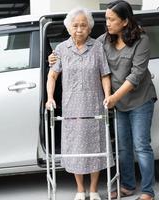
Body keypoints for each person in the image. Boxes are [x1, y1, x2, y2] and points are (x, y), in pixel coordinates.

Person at [49, 1, 157, 200]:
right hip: (118, 102)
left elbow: (136, 75)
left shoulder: (141, 40)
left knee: (141, 145)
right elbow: (82, 42)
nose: (106, 23)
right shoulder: (103, 41)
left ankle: (148, 191)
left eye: (111, 19)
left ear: (124, 22)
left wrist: (112, 97)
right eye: (106, 18)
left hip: (139, 99)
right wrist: (54, 58)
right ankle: (127, 185)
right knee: (123, 147)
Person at [45, 7, 113, 200]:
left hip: (94, 104)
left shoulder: (97, 47)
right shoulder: (61, 49)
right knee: (76, 147)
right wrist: (50, 97)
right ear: (69, 28)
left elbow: (105, 75)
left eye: (83, 25)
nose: (79, 29)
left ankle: (93, 190)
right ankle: (80, 190)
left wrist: (107, 96)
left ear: (90, 28)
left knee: (95, 147)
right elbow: (52, 76)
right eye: (75, 25)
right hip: (71, 105)